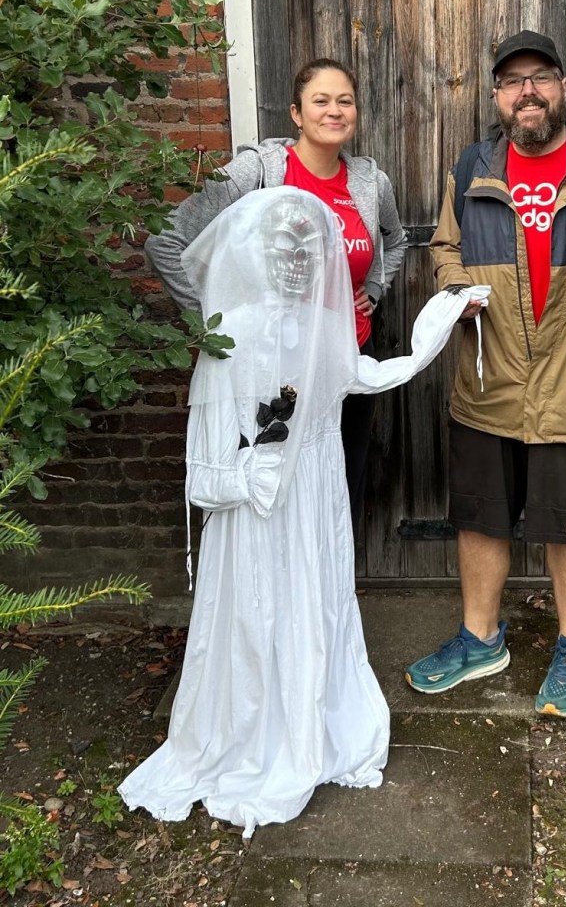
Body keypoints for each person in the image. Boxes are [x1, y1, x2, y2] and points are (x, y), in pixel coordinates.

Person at [118, 186, 489, 833]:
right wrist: (248, 477)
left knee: (313, 598)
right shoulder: (229, 334)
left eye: (308, 247)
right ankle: (255, 731)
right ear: (256, 253)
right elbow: (205, 464)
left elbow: (367, 375)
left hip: (314, 495)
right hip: (259, 510)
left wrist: (441, 316)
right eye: (282, 247)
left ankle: (312, 720)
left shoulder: (324, 328)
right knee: (258, 606)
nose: (295, 260)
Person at [404, 30, 566, 717]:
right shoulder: (469, 168)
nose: (527, 91)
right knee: (480, 520)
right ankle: (479, 637)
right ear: (497, 96)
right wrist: (457, 287)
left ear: (560, 87)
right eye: (512, 80)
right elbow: (445, 245)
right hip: (489, 383)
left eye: (540, 77)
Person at [144, 58, 407, 531]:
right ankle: (272, 600)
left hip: (346, 358)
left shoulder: (370, 183)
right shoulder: (259, 172)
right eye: (321, 101)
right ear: (296, 113)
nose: (334, 111)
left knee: (340, 482)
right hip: (271, 365)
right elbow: (166, 240)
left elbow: (397, 239)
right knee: (271, 491)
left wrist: (373, 287)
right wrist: (214, 328)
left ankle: (326, 596)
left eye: (344, 101)